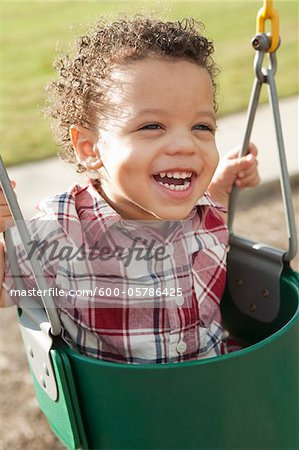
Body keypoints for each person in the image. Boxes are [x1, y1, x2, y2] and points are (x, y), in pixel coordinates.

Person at [0, 17, 259, 364]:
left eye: (201, 126)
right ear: (90, 148)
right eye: (152, 125)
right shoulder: (64, 230)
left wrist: (225, 183)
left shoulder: (204, 210)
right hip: (123, 409)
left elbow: (217, 205)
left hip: (214, 392)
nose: (185, 144)